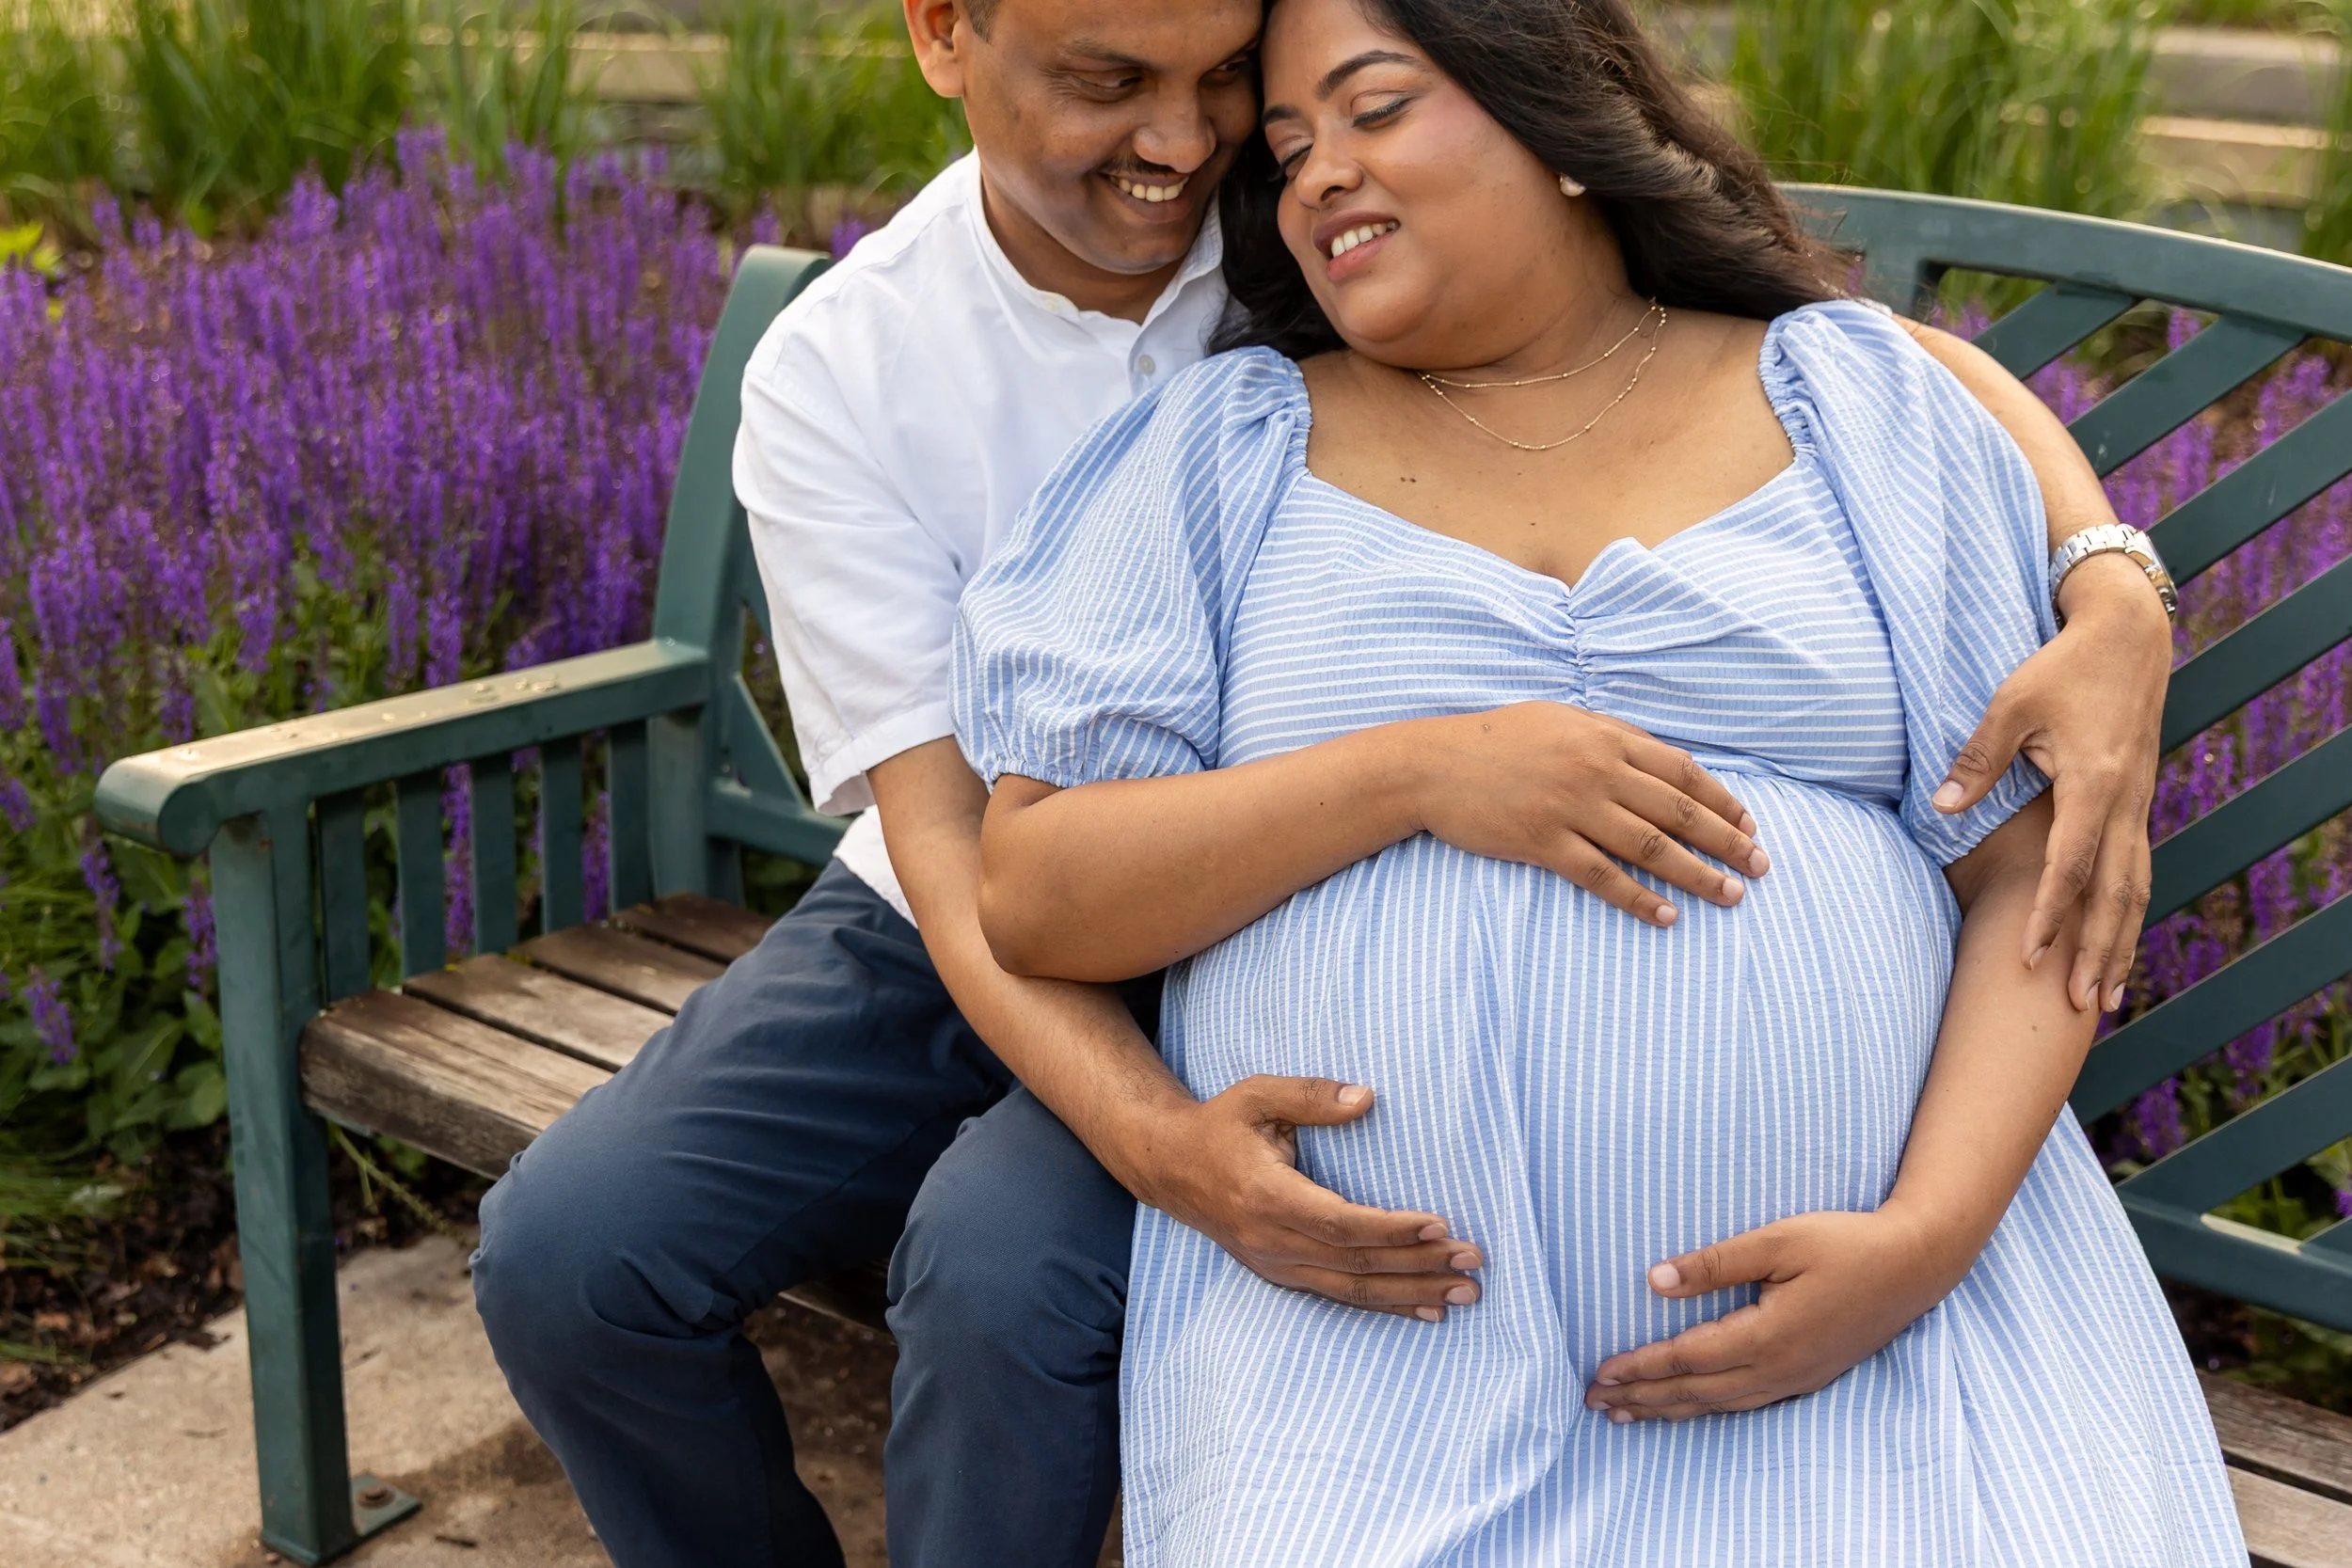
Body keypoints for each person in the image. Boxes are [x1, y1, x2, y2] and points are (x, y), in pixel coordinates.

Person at [469, 0, 2181, 1563]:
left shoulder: (1388, 247)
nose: (1194, 145)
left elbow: (1864, 354)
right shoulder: (887, 373)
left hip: (1762, 1252)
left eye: (1231, 86)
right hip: (978, 920)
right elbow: (975, 866)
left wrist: (2111, 580)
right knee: (579, 1255)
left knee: (997, 1268)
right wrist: (1172, 1137)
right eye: (1116, 86)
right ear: (942, 36)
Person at [950, 0, 2235, 1560]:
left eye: (1374, 109)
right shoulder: (1224, 449)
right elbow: (1040, 890)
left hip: (1885, 1334)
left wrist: (1922, 1239)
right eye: (1286, 149)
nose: (1318, 174)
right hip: (1381, 1372)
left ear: (1556, 119)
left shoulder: (1848, 404)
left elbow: (2032, 872)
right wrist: (1419, 772)